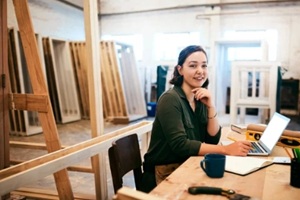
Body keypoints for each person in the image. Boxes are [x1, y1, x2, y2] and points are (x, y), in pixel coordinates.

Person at [140, 45, 252, 192]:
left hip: (186, 164)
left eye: (204, 65)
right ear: (180, 70)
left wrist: (211, 106)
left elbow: (211, 139)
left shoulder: (198, 98)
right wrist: (225, 150)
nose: (200, 71)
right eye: (193, 65)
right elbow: (180, 145)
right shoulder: (170, 99)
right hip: (163, 172)